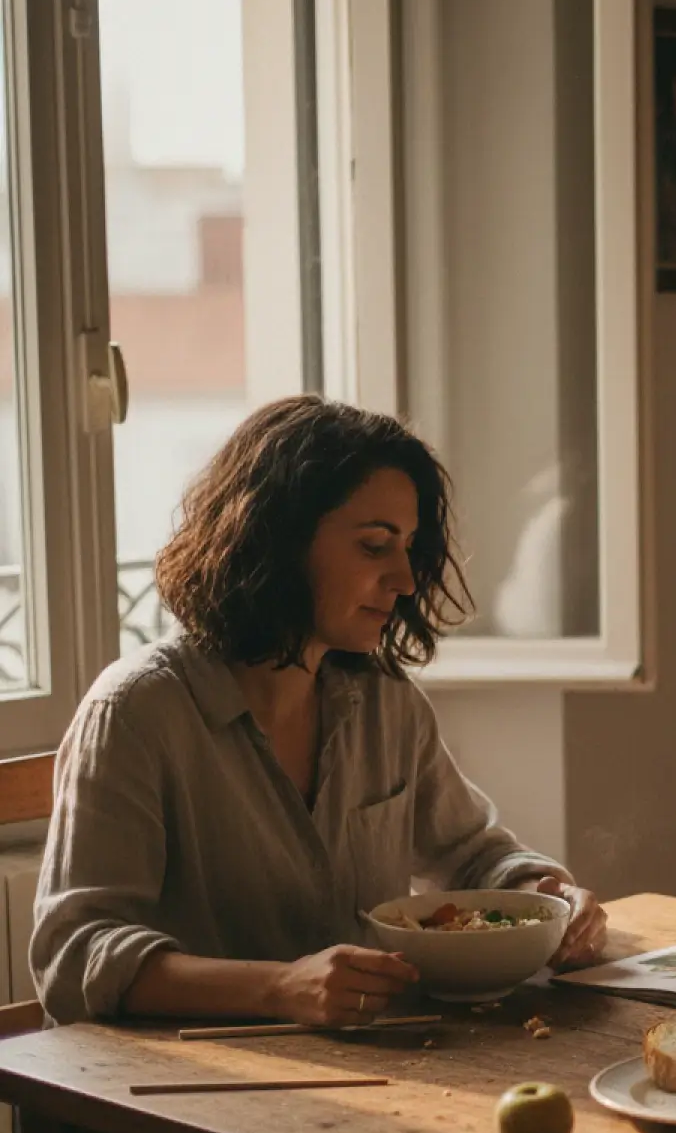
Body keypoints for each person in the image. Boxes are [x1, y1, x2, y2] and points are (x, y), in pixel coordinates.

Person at [31, 397, 609, 1026]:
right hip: (195, 1091)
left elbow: (474, 856)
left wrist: (545, 898)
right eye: (373, 546)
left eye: (408, 547)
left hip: (379, 1064)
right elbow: (74, 953)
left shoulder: (386, 704)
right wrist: (281, 988)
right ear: (275, 542)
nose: (406, 579)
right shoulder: (137, 712)